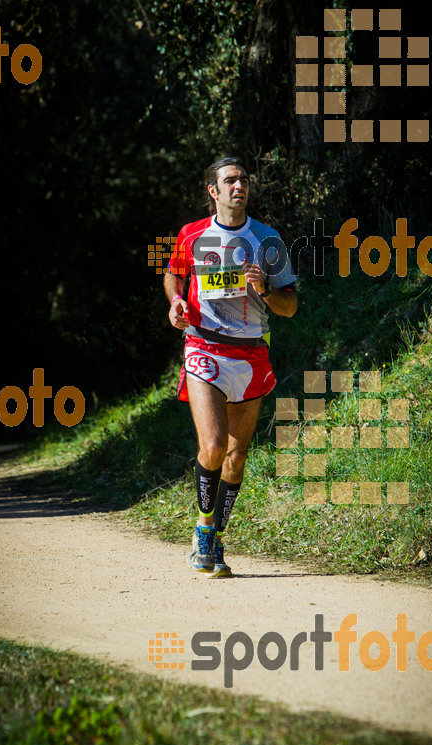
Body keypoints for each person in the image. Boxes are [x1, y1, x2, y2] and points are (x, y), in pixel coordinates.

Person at [164, 156, 297, 577]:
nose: (239, 185)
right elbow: (173, 275)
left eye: (243, 179)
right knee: (215, 447)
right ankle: (203, 532)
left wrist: (265, 289)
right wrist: (176, 301)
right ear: (213, 191)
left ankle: (218, 538)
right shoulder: (192, 235)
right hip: (204, 348)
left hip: (252, 353)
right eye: (230, 180)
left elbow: (290, 306)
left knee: (237, 459)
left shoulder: (268, 239)